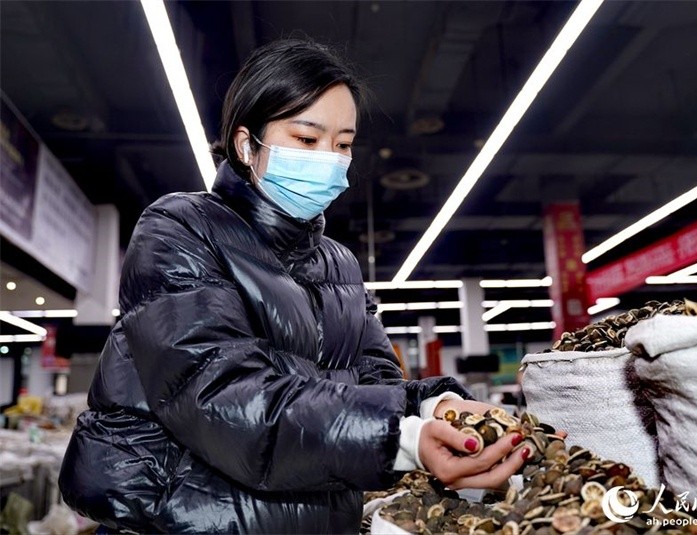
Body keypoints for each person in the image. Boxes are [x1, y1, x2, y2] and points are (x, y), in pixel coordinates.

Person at [58, 39, 530, 534]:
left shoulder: (339, 264)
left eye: (343, 144)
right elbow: (220, 395)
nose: (329, 159)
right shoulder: (180, 229)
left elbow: (377, 386)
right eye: (307, 139)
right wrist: (402, 439)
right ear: (247, 145)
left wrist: (437, 408)